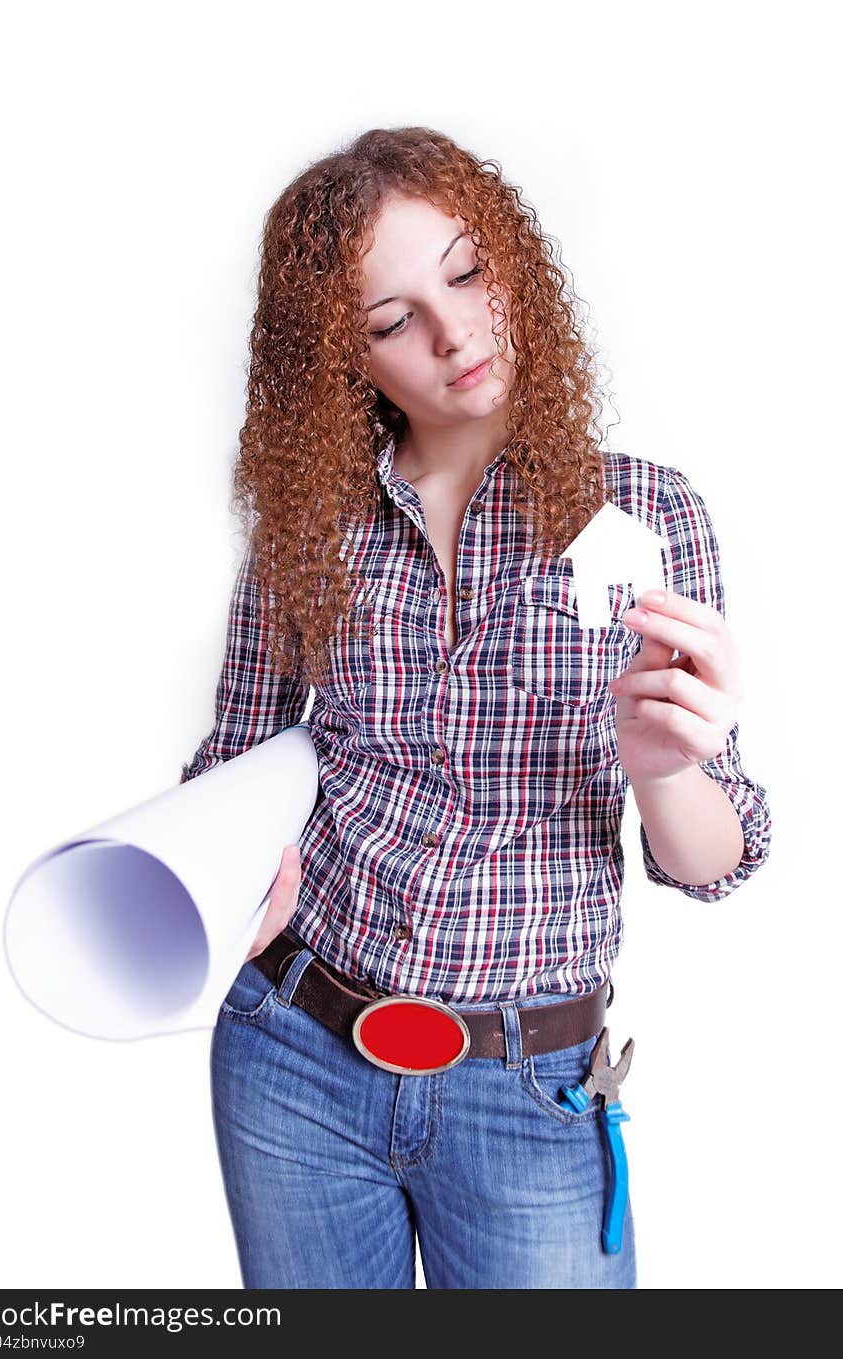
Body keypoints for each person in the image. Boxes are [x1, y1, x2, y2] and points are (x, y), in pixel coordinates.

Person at [179, 126, 772, 1289]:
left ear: (513, 268)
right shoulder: (309, 529)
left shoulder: (645, 518)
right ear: (343, 361)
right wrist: (229, 877)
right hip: (293, 1057)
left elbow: (714, 860)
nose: (451, 334)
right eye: (391, 319)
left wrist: (660, 765)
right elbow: (234, 763)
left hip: (527, 1090)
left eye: (465, 272)